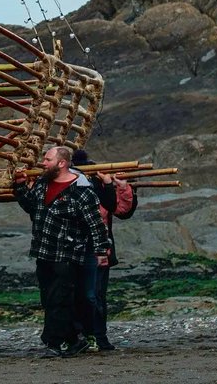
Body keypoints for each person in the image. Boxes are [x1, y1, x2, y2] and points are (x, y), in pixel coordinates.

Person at [13, 145, 109, 358]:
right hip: (43, 251)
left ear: (62, 163)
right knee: (48, 299)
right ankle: (76, 339)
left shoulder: (81, 191)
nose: (43, 163)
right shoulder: (42, 184)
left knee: (59, 298)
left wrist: (102, 251)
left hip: (67, 253)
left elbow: (95, 224)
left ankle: (53, 343)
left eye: (47, 159)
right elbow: (31, 206)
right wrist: (20, 188)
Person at [72, 149, 138, 351]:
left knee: (96, 296)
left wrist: (122, 188)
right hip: (71, 252)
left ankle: (98, 336)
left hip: (100, 252)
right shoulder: (67, 185)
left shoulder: (101, 185)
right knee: (77, 295)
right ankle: (79, 336)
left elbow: (121, 210)